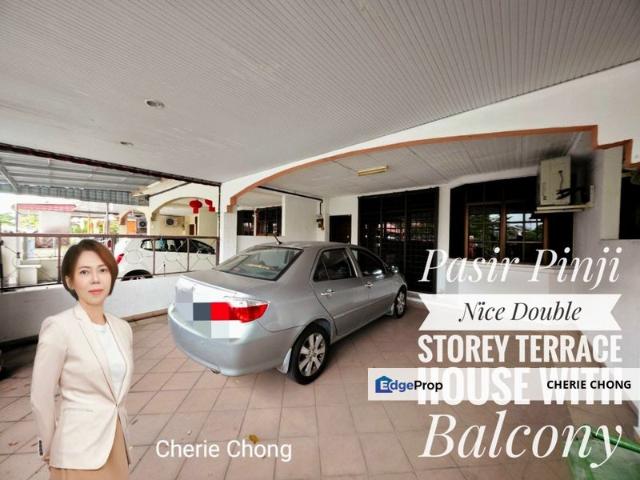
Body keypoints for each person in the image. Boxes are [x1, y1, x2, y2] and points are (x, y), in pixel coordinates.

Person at [30, 239, 134, 479]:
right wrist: (51, 449)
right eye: (84, 272)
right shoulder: (59, 327)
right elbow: (41, 396)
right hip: (77, 452)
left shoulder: (122, 328)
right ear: (70, 281)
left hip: (117, 446)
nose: (95, 279)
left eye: (103, 270)